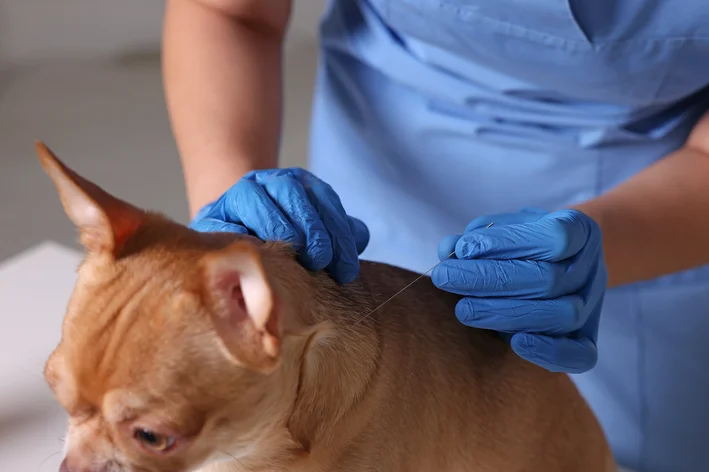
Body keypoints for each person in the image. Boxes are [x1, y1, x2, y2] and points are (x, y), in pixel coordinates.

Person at [161, 1, 709, 471]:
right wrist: (229, 221)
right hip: (380, 173)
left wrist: (607, 244)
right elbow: (228, 10)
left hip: (663, 215)